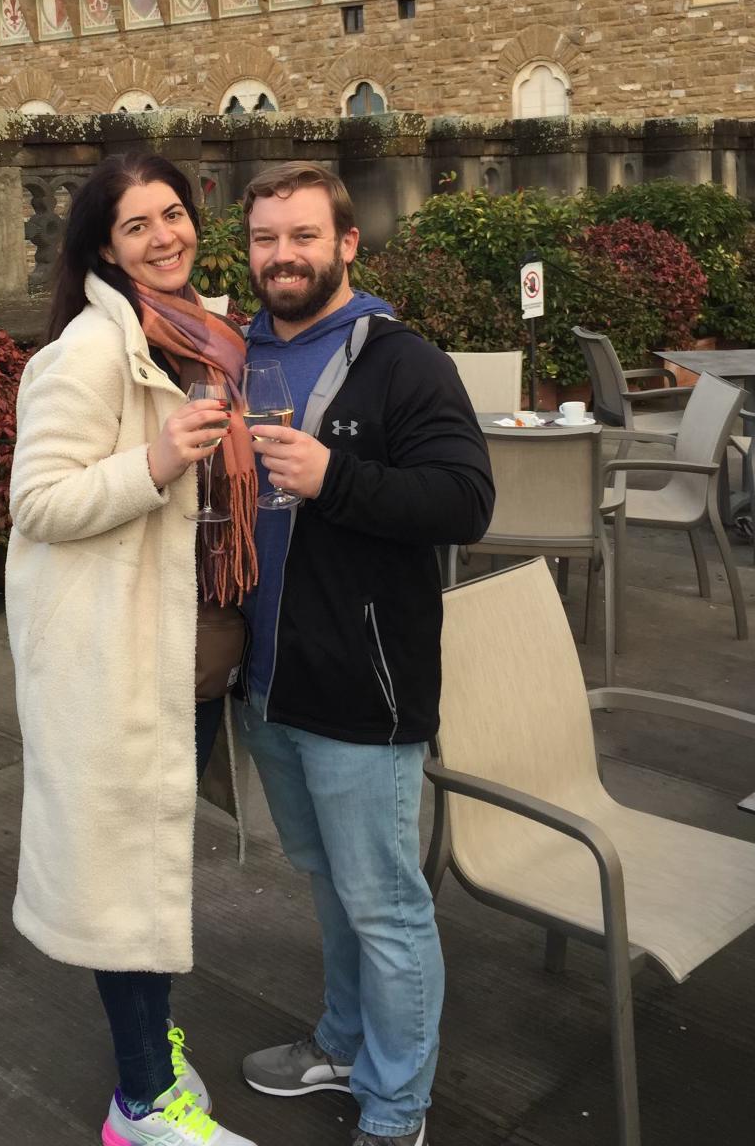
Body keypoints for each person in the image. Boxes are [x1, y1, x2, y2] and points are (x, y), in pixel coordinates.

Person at [234, 162, 495, 1146]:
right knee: (327, 883)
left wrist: (335, 477)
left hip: (363, 683)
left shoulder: (400, 361)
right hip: (264, 680)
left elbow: (466, 500)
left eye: (304, 236)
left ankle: (396, 1112)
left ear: (347, 244)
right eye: (266, 239)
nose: (283, 255)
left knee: (384, 904)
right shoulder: (235, 353)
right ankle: (342, 1042)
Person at [5, 151, 260, 1146]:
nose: (164, 237)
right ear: (102, 252)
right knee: (126, 874)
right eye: (136, 227)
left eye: (173, 214)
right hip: (117, 655)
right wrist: (154, 462)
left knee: (151, 860)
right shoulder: (90, 352)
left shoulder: (206, 335)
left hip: (190, 644)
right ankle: (144, 1102)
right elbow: (38, 504)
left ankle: (151, 1055)